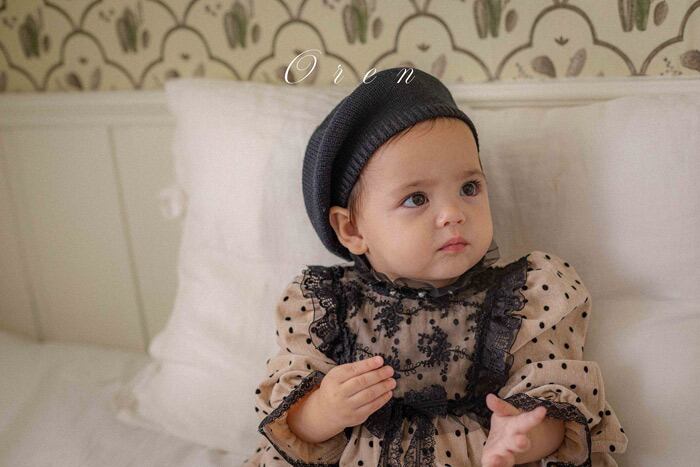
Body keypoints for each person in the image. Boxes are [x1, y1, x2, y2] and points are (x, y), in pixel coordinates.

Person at [242, 67, 628, 467]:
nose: (453, 213)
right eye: (416, 199)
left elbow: (556, 403)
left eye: (469, 188)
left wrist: (520, 436)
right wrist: (326, 409)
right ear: (352, 229)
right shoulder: (326, 307)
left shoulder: (521, 298)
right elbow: (290, 429)